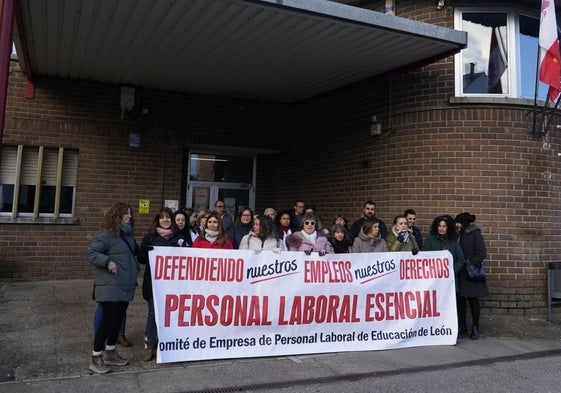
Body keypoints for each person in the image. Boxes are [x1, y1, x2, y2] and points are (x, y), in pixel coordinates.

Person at [85, 202, 139, 374]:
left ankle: (110, 352)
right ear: (117, 216)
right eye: (126, 214)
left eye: (130, 214)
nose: (129, 217)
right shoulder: (107, 236)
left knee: (117, 321)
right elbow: (91, 253)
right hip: (111, 286)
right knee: (107, 322)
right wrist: (107, 261)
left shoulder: (129, 237)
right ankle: (95, 357)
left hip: (125, 286)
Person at [138, 207, 185, 362]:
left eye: (168, 218)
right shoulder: (149, 238)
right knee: (153, 312)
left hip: (174, 285)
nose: (165, 220)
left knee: (172, 315)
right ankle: (149, 344)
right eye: (162, 218)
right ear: (157, 220)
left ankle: (169, 343)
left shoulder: (179, 238)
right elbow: (142, 258)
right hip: (154, 284)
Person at [422, 215, 465, 333]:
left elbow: (461, 260)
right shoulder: (430, 240)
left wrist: (452, 272)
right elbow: (425, 258)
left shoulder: (454, 242)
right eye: (439, 226)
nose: (441, 228)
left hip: (450, 281)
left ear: (448, 228)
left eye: (444, 226)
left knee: (449, 308)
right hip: (434, 281)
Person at [455, 212, 489, 340]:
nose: (456, 224)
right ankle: (462, 327)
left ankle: (475, 327)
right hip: (460, 273)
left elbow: (481, 253)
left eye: (458, 222)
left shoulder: (475, 234)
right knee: (460, 301)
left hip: (470, 272)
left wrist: (471, 262)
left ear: (463, 222)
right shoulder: (457, 235)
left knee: (473, 300)